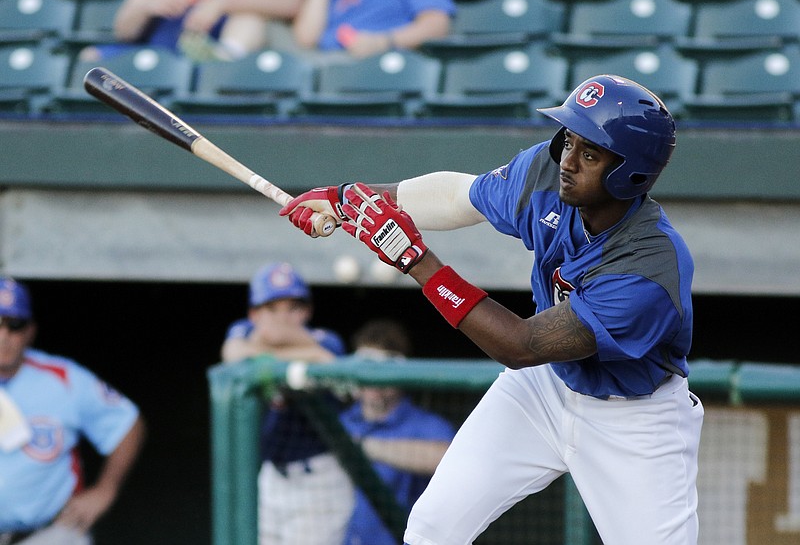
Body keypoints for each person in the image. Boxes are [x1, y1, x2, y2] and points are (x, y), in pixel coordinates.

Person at [279, 74, 705, 545]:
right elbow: (460, 196)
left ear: (632, 172)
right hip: (546, 387)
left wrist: (418, 262)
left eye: (590, 154)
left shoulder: (649, 267)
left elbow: (520, 345)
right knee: (431, 528)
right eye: (570, 140)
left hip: (635, 418)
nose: (567, 161)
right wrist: (349, 200)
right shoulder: (548, 172)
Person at [0, 277, 146, 545]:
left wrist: (105, 491)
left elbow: (127, 422)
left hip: (47, 533)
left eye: (15, 325)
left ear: (30, 331)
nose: (4, 336)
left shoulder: (64, 378)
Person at [220, 262, 354, 545]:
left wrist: (279, 344)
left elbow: (327, 357)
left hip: (319, 477)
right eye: (272, 308)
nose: (282, 318)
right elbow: (232, 353)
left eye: (292, 308)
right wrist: (304, 353)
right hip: (271, 477)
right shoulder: (242, 330)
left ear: (307, 311)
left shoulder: (327, 340)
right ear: (254, 313)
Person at [340, 319, 455, 545]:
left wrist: (364, 447)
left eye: (382, 371)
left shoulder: (426, 426)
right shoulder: (339, 420)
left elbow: (450, 461)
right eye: (365, 368)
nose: (372, 380)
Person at [81, 0, 304, 62]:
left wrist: (224, 3)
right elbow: (124, 32)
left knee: (250, 17)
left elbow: (291, 3)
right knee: (90, 57)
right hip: (159, 50)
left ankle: (221, 59)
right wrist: (149, 6)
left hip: (213, 51)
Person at [292, 0, 455, 60]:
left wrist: (382, 41)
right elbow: (306, 39)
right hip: (323, 62)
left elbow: (436, 25)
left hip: (378, 61)